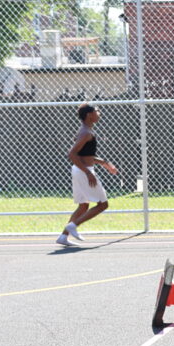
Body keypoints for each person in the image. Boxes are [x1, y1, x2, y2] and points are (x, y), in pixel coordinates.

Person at [57, 104, 117, 247]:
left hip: (81, 170)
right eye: (97, 111)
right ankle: (73, 225)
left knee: (83, 206)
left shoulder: (87, 131)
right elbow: (72, 154)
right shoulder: (86, 133)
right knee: (103, 204)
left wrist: (104, 163)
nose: (99, 113)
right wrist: (88, 172)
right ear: (89, 115)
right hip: (83, 171)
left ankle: (63, 237)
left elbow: (86, 156)